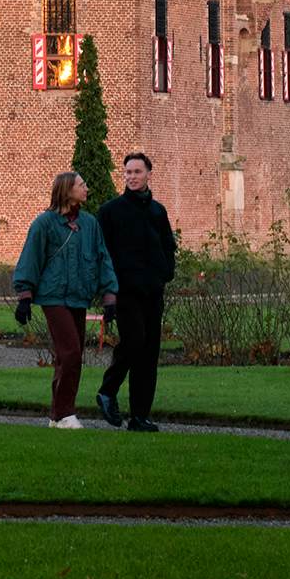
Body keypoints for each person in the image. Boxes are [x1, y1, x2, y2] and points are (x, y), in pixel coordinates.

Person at [11, 170, 119, 428]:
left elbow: (103, 258)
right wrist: (25, 295)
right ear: (67, 190)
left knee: (69, 356)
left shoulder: (90, 224)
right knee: (70, 353)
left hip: (78, 297)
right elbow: (30, 258)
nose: (87, 189)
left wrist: (110, 296)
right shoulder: (44, 224)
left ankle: (55, 416)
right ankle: (65, 413)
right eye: (82, 185)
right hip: (53, 296)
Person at [94, 151, 178, 431]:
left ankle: (140, 416)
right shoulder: (110, 211)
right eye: (128, 172)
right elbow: (102, 254)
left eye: (137, 172)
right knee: (134, 341)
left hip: (153, 291)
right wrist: (108, 291)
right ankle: (107, 390)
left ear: (148, 174)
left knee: (149, 352)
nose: (131, 177)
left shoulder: (158, 211)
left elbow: (168, 245)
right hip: (124, 291)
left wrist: (166, 272)